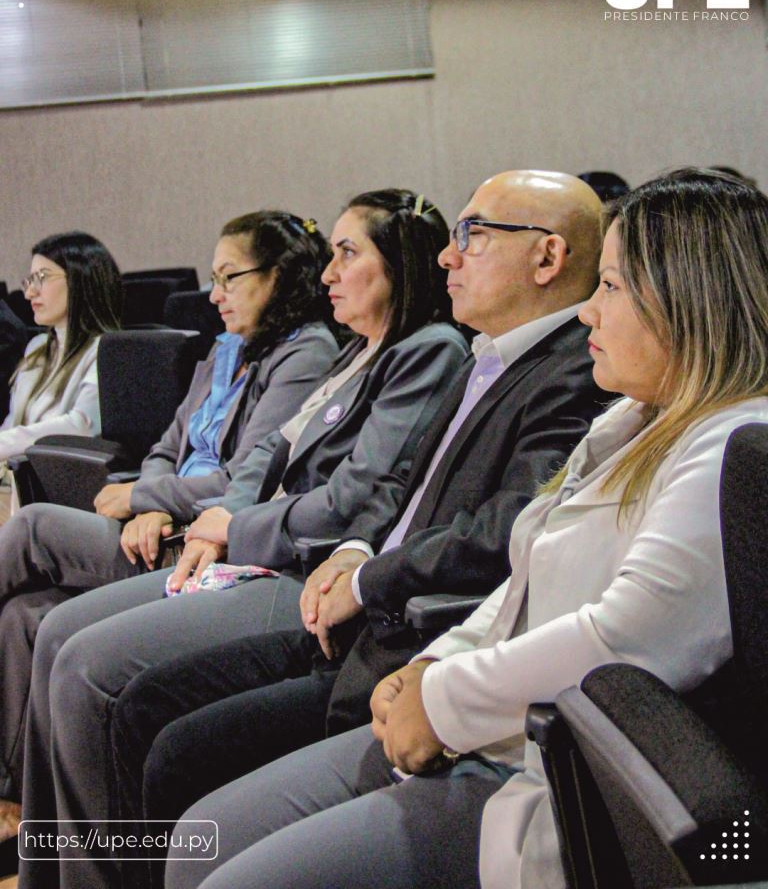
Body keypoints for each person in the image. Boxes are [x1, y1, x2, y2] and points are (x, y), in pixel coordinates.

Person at [160, 168, 768, 889]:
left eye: (610, 287)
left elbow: (623, 640)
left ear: (690, 299)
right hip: (476, 708)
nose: (588, 315)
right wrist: (430, 669)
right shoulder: (634, 419)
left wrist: (442, 701)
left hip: (553, 775)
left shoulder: (736, 444)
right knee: (207, 835)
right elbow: (525, 572)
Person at [106, 169, 614, 884]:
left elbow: (510, 526)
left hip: (403, 637)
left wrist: (365, 574)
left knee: (178, 757)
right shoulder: (482, 354)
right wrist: (352, 552)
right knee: (145, 711)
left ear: (547, 258)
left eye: (472, 234)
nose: (448, 255)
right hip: (353, 604)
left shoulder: (566, 372)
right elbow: (396, 486)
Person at [18, 189, 468, 889]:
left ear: (400, 267)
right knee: (61, 637)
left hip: (302, 568)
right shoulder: (355, 350)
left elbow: (358, 496)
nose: (328, 274)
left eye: (348, 254)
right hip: (250, 547)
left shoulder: (425, 351)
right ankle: (50, 873)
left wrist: (236, 526)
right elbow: (265, 458)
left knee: (84, 664)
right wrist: (215, 520)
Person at [0, 210, 338, 843]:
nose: (215, 295)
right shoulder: (224, 348)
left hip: (200, 542)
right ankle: (25, 820)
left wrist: (150, 498)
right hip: (162, 519)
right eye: (213, 278)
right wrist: (149, 496)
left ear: (280, 277)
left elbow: (244, 481)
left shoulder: (306, 353)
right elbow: (168, 444)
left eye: (230, 278)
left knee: (34, 527)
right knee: (28, 614)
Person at [0, 232, 121, 469]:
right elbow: (12, 425)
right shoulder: (36, 350)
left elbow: (81, 426)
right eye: (29, 281)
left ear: (80, 279)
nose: (30, 293)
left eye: (42, 277)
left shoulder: (108, 352)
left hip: (63, 483)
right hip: (16, 479)